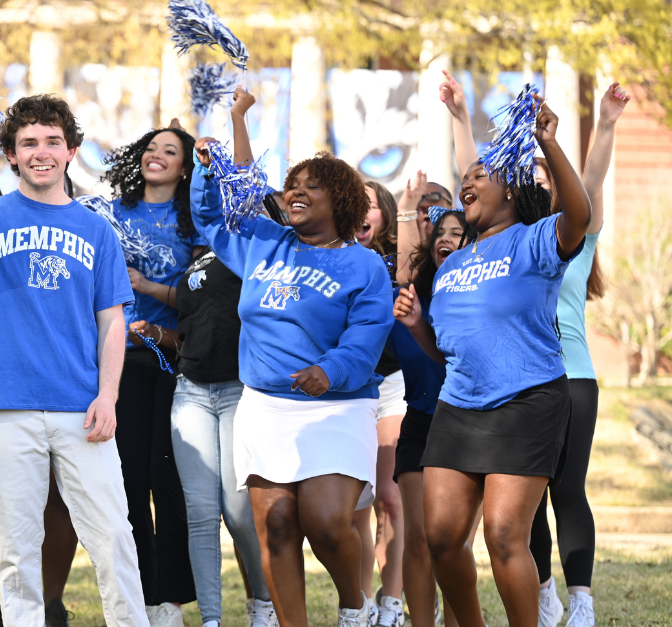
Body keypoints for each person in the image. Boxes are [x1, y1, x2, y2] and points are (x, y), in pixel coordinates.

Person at [0, 93, 149, 627]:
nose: (41, 152)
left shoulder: (96, 229)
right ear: (11, 155)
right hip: (6, 409)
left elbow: (112, 322)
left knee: (112, 536)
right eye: (28, 143)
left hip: (82, 408)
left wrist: (108, 397)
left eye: (52, 142)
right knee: (15, 548)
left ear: (71, 151)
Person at [394, 96, 591, 627]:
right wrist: (418, 328)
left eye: (481, 175)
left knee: (504, 535)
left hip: (527, 399)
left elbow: (581, 215)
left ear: (511, 190)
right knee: (440, 536)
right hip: (459, 405)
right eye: (466, 177)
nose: (468, 183)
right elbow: (451, 346)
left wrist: (549, 142)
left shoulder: (535, 242)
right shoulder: (455, 261)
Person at [193, 139, 394, 627]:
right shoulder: (265, 242)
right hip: (265, 408)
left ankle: (355, 606)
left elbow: (367, 335)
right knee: (278, 527)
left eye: (313, 187)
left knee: (326, 522)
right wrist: (205, 172)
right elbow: (212, 220)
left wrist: (330, 370)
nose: (297, 192)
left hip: (336, 406)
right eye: (293, 186)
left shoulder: (363, 264)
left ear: (341, 202)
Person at [167, 87, 277, 627]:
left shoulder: (259, 245)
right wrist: (203, 166)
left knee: (238, 512)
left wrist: (237, 119)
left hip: (239, 391)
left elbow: (245, 187)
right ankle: (211, 619)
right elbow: (205, 202)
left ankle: (262, 604)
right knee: (199, 514)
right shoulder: (206, 247)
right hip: (191, 390)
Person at [525, 84, 629, 627]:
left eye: (549, 176)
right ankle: (545, 598)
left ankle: (581, 603)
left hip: (573, 377)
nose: (545, 182)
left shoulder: (578, 234)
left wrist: (606, 123)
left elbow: (592, 180)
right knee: (528, 495)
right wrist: (456, 116)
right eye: (537, 178)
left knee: (567, 487)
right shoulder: (513, 242)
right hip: (523, 379)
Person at [100, 119, 203, 626]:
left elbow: (209, 293)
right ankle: (139, 596)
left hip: (175, 362)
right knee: (128, 483)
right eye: (150, 147)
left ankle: (171, 601)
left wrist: (151, 290)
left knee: (169, 480)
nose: (155, 155)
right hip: (122, 365)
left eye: (169, 150)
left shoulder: (194, 222)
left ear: (185, 169)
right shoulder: (109, 214)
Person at [388, 206, 474, 627]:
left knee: (452, 543)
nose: (447, 238)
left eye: (459, 233)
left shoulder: (478, 302)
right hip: (419, 422)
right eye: (441, 232)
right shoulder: (408, 302)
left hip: (466, 426)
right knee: (419, 538)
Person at [356, 180, 407, 627]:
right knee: (356, 498)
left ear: (385, 215)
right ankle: (359, 603)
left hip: (391, 384)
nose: (361, 213)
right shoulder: (332, 256)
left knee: (389, 496)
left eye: (369, 206)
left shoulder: (397, 263)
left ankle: (392, 603)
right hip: (348, 390)